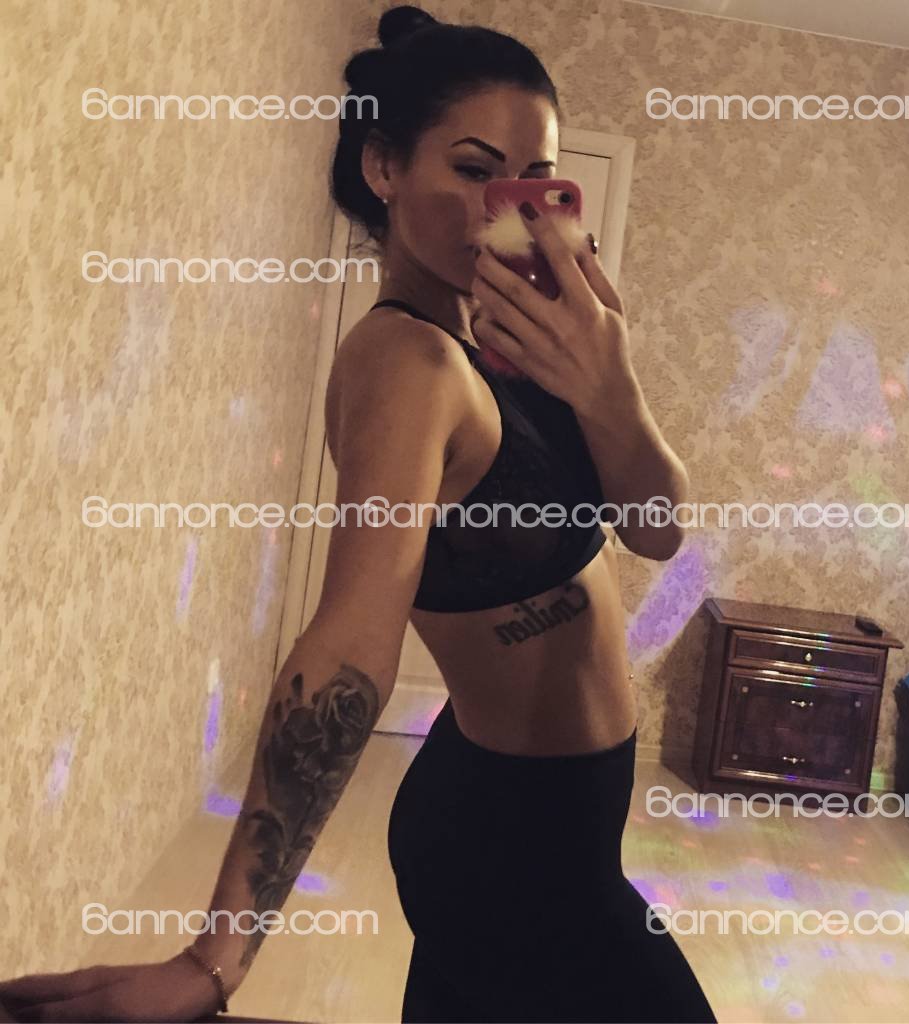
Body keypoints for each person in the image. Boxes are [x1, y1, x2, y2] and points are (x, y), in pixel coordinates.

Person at [0, 6, 715, 1022]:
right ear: (384, 166)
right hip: (513, 851)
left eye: (529, 179)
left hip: (537, 820)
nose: (501, 207)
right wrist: (216, 958)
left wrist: (613, 386)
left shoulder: (524, 348)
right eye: (471, 169)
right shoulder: (407, 362)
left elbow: (656, 529)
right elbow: (350, 641)